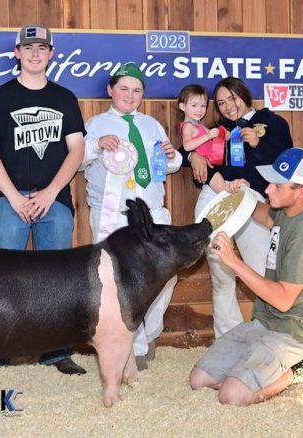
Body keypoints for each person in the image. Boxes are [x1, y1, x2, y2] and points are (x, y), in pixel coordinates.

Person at [0, 23, 87, 383]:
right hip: (11, 200)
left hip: (54, 199)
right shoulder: (2, 97)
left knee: (58, 280)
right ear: (18, 54)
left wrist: (53, 192)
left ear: (51, 54)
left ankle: (57, 352)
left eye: (42, 48)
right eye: (28, 48)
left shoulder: (64, 98)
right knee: (3, 280)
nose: (35, 54)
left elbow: (77, 149)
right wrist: (12, 197)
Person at [189, 147, 303, 406]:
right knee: (199, 380)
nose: (269, 189)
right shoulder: (289, 209)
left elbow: (284, 301)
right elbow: (262, 214)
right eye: (270, 182)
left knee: (231, 396)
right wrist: (243, 196)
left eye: (277, 186)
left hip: (294, 331)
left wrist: (234, 263)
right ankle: (258, 370)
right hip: (265, 322)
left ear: (301, 191)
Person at [80, 62, 182, 371]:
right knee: (118, 283)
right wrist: (96, 146)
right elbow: (77, 161)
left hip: (153, 213)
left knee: (167, 276)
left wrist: (171, 154)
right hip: (113, 214)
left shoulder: (151, 125)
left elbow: (171, 166)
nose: (130, 95)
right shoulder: (96, 124)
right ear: (110, 90)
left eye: (137, 90)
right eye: (124, 88)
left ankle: (148, 335)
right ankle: (130, 346)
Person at [186, 77, 293, 339]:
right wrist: (194, 155)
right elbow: (187, 153)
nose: (227, 106)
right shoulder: (218, 130)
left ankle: (272, 336)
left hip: (254, 202)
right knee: (221, 275)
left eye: (232, 98)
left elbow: (285, 166)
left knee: (261, 271)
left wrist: (258, 145)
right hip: (220, 198)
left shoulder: (274, 123)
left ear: (243, 94)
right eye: (221, 103)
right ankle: (228, 339)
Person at [177, 84, 224, 194]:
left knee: (224, 188)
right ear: (183, 107)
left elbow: (216, 138)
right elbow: (187, 146)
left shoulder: (200, 126)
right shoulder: (188, 126)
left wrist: (223, 134)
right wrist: (208, 136)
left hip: (212, 163)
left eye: (203, 106)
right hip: (204, 169)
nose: (199, 110)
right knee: (224, 192)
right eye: (194, 105)